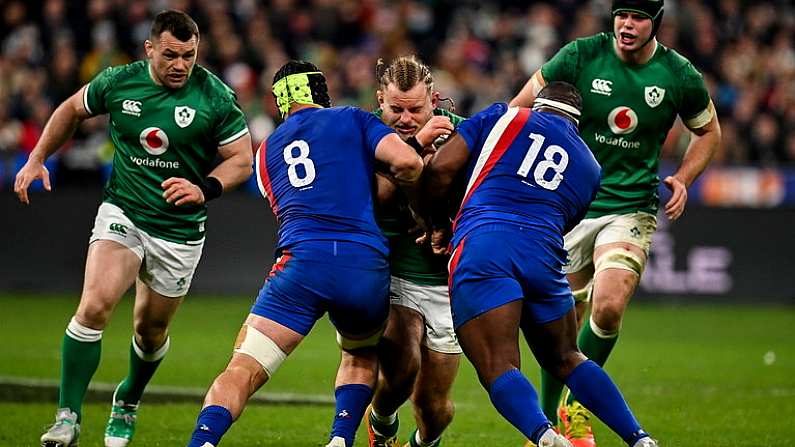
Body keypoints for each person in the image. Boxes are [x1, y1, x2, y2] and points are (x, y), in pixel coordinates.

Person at [13, 10, 253, 447]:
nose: (181, 65)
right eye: (170, 55)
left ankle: (128, 399)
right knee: (95, 306)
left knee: (150, 331)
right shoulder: (118, 82)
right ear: (149, 49)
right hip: (124, 211)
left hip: (179, 230)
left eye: (189, 56)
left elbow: (241, 158)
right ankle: (67, 417)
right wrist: (36, 158)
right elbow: (70, 109)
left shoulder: (214, 95)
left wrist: (206, 187)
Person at [510, 1, 721, 445]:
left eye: (638, 17)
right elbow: (520, 107)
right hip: (568, 204)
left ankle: (576, 405)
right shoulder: (579, 55)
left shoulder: (679, 75)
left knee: (607, 305)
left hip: (631, 206)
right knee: (560, 323)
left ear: (655, 23)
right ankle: (545, 428)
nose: (627, 24)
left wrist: (683, 178)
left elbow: (708, 131)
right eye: (621, 14)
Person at [185, 60, 424, 447]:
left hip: (302, 263)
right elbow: (408, 162)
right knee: (360, 355)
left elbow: (285, 203)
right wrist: (411, 205)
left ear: (280, 101)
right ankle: (340, 438)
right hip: (361, 265)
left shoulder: (265, 154)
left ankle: (203, 442)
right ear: (320, 90)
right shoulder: (353, 119)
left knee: (243, 367)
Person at [420, 82, 658, 447]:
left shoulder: (505, 115)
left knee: (498, 364)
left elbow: (439, 171)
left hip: (486, 243)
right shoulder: (591, 168)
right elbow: (565, 221)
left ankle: (544, 435)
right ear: (578, 122)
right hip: (544, 255)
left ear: (537, 104)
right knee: (567, 356)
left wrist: (437, 224)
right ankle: (639, 438)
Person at [366, 55, 464, 447]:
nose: (405, 118)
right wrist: (415, 146)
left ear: (435, 101)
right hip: (394, 271)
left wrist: (448, 225)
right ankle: (382, 422)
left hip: (446, 282)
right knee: (402, 371)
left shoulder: (463, 135)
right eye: (396, 109)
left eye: (416, 109)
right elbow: (372, 197)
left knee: (433, 404)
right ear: (380, 100)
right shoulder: (367, 131)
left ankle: (421, 444)